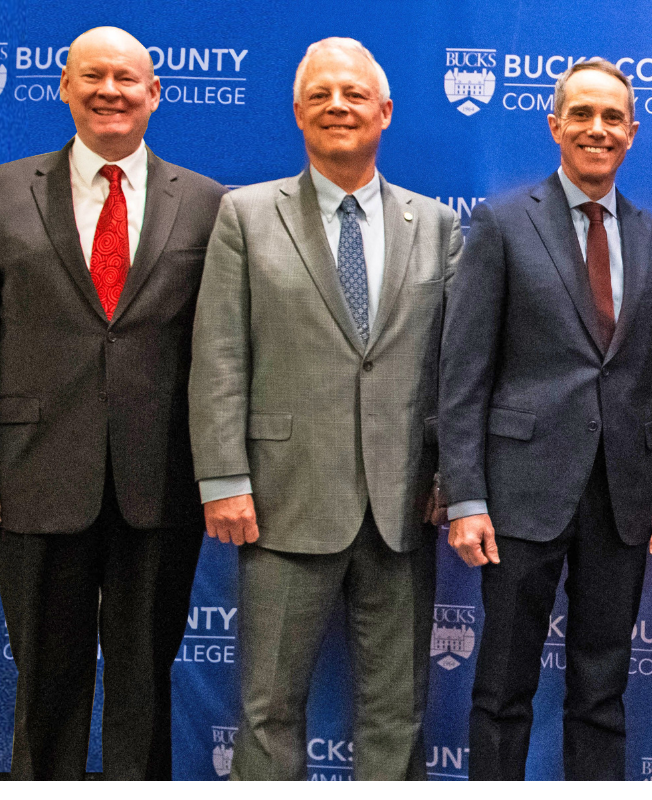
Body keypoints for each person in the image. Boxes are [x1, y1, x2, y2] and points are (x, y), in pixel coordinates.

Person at [188, 37, 461, 780]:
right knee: (269, 706)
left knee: (396, 709)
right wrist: (223, 480)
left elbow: (454, 369)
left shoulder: (436, 226)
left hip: (404, 501)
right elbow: (218, 355)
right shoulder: (244, 214)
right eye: (320, 96)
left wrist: (452, 477)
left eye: (352, 94)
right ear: (298, 113)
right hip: (280, 500)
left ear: (386, 112)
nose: (337, 106)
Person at [438, 58, 652, 781]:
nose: (597, 129)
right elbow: (463, 374)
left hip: (621, 498)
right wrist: (465, 496)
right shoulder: (502, 224)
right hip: (518, 496)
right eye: (581, 114)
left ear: (632, 133)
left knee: (602, 691)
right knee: (502, 689)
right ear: (555, 125)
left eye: (612, 117)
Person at [0, 27, 225, 780]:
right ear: (61, 87)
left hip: (157, 479)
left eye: (127, 79)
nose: (110, 91)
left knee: (143, 683)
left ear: (155, 94)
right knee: (45, 683)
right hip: (33, 475)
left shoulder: (206, 204)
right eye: (91, 76)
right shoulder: (3, 191)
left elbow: (221, 350)